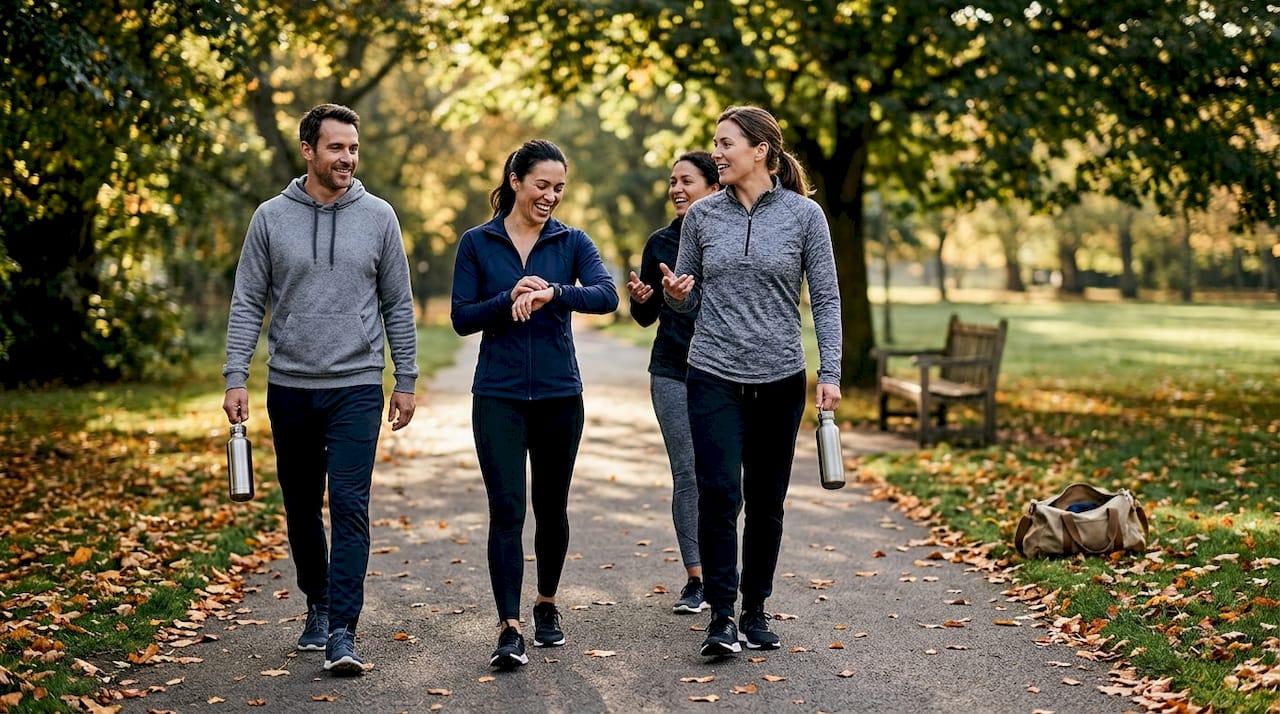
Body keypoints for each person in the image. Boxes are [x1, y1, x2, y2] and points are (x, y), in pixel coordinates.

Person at [221, 103, 418, 676]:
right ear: (308, 150)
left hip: (356, 384)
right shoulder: (270, 218)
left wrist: (404, 379)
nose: (348, 159)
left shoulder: (379, 216)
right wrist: (236, 374)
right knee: (302, 507)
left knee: (351, 508)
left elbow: (398, 305)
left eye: (353, 148)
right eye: (336, 148)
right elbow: (247, 301)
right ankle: (317, 599)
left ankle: (342, 631)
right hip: (290, 385)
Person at [661, 106, 842, 656]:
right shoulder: (702, 218)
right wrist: (678, 296)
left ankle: (755, 609)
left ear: (760, 149)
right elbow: (690, 296)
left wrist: (829, 372)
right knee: (719, 494)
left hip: (780, 376)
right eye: (714, 144)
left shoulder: (805, 216)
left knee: (766, 500)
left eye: (725, 143)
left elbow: (827, 299)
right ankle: (721, 616)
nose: (716, 153)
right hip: (712, 371)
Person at [450, 139, 618, 669]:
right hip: (497, 395)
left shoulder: (571, 241)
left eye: (559, 188)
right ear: (516, 180)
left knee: (551, 505)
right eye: (542, 185)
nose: (551, 196)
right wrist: (508, 298)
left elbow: (607, 295)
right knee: (506, 509)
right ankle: (509, 626)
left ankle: (545, 605)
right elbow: (461, 316)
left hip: (558, 395)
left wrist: (552, 292)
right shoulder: (477, 243)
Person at [625, 151, 720, 615]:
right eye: (672, 182)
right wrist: (643, 298)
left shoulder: (727, 237)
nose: (677, 189)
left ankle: (725, 571)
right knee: (687, 472)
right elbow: (645, 318)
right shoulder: (660, 242)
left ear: (714, 185)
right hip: (672, 371)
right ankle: (697, 577)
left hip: (725, 372)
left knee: (721, 476)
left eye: (687, 180)